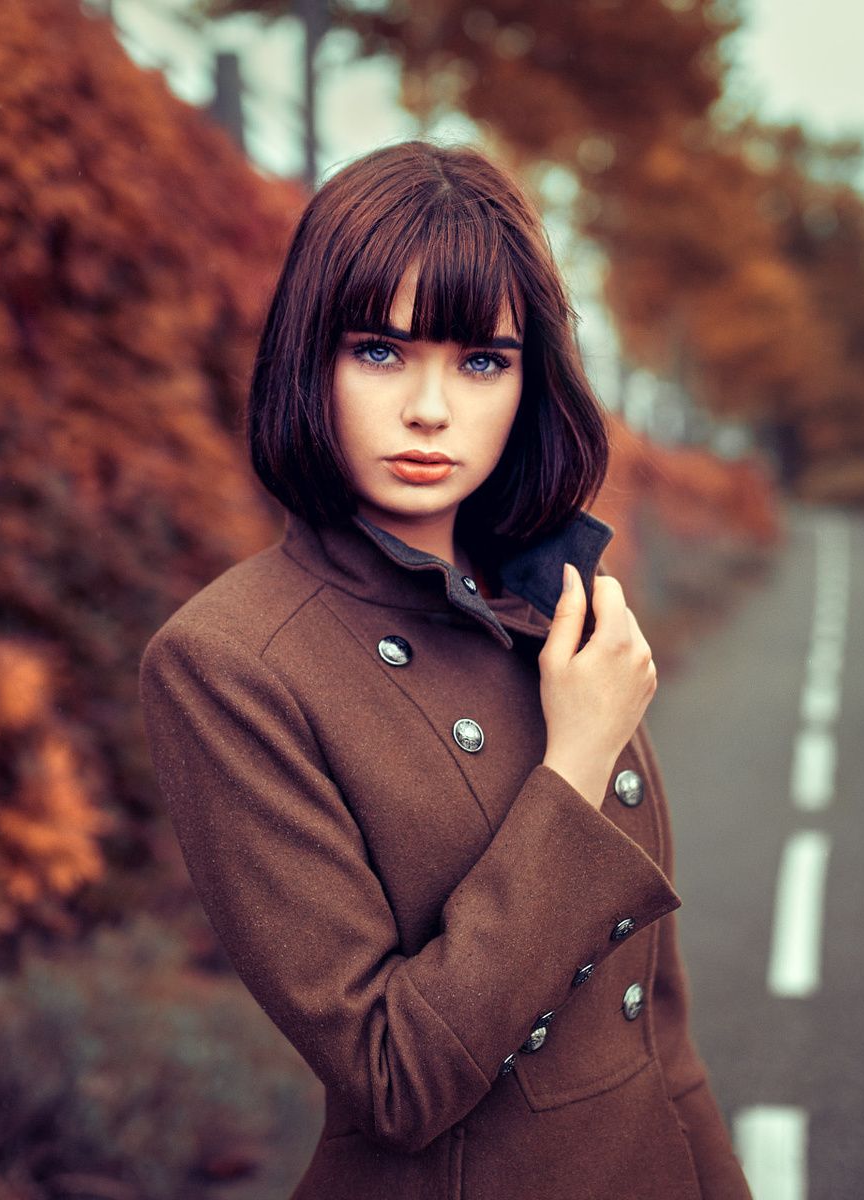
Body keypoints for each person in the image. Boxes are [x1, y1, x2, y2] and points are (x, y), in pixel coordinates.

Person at [139, 141, 750, 1200]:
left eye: (481, 362)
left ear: (529, 379)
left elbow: (654, 1032)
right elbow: (394, 1076)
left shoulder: (553, 607)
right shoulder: (228, 662)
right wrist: (576, 762)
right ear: (309, 359)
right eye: (380, 350)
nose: (431, 410)